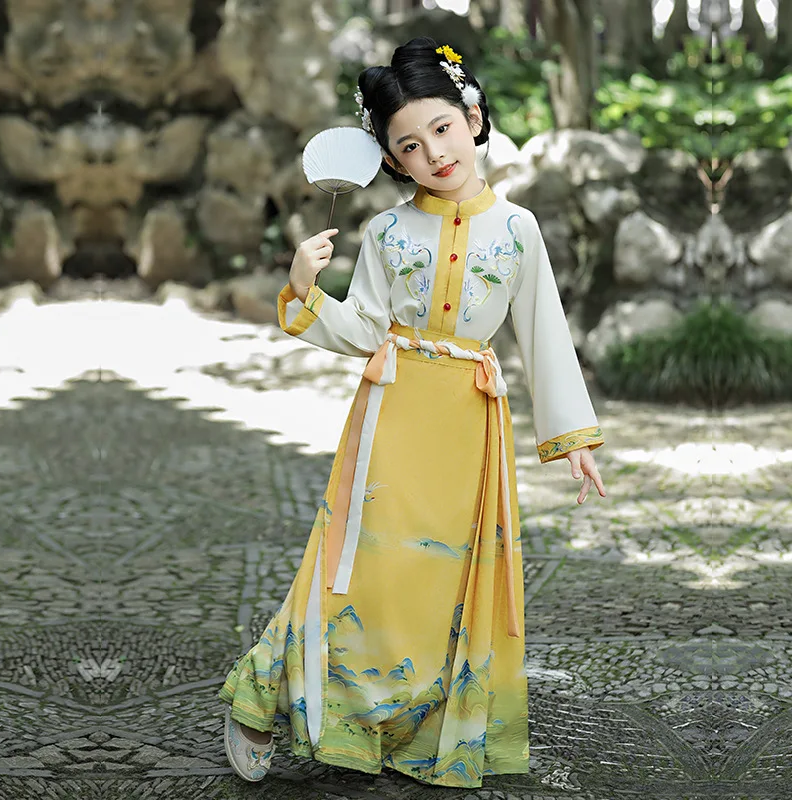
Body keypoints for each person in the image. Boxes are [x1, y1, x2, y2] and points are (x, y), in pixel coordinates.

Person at [219, 36, 607, 789]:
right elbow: (365, 327)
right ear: (392, 161)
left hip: (470, 425)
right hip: (391, 415)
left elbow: (544, 335)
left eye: (441, 128)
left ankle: (411, 730)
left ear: (473, 117)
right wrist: (304, 291)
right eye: (408, 144)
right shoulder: (388, 232)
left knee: (442, 585)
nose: (433, 152)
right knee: (361, 567)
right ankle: (259, 700)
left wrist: (572, 441)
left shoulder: (518, 230)